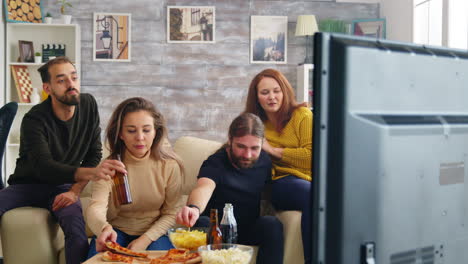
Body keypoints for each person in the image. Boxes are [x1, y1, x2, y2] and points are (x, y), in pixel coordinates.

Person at [0, 57, 124, 264]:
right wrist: (93, 172)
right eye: (62, 80)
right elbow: (44, 167)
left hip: (62, 187)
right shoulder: (34, 119)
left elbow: (93, 153)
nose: (71, 84)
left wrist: (74, 191)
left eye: (74, 78)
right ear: (48, 88)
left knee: (76, 230)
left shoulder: (88, 105)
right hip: (27, 185)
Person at [176, 113, 284, 264]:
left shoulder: (264, 161)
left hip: (247, 229)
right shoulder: (216, 162)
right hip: (215, 231)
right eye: (241, 146)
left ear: (262, 143)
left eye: (254, 148)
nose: (247, 155)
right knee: (203, 222)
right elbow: (204, 187)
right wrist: (193, 208)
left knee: (272, 225)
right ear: (230, 140)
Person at [86, 97, 183, 258]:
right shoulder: (110, 166)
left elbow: (172, 213)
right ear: (121, 134)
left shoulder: (170, 165)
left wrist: (145, 240)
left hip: (156, 233)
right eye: (131, 131)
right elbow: (96, 207)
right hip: (116, 231)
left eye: (146, 130)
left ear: (155, 131)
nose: (139, 137)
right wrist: (104, 229)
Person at [244, 68, 312, 264]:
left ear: (285, 91)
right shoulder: (255, 124)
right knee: (311, 194)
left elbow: (311, 157)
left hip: (308, 179)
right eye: (264, 93)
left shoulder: (303, 115)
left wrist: (273, 151)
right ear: (257, 97)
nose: (272, 97)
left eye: (276, 91)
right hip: (279, 183)